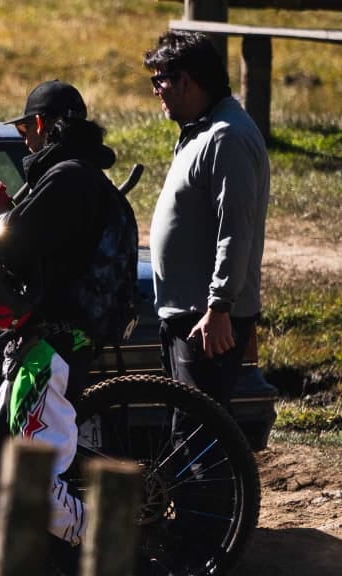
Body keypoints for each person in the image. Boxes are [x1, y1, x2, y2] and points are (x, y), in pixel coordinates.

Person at [0, 80, 121, 576]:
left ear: (47, 126)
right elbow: (45, 243)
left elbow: (17, 247)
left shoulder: (68, 178)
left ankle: (114, 548)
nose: (25, 138)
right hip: (48, 342)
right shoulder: (74, 175)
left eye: (28, 127)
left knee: (23, 477)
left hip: (52, 344)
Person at [143, 31, 270, 412]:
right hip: (189, 312)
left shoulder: (227, 136)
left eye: (160, 80)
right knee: (188, 430)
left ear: (186, 80)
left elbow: (235, 229)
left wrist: (219, 307)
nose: (156, 91)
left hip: (207, 319)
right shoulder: (200, 130)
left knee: (198, 432)